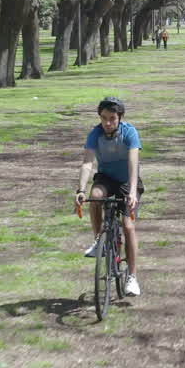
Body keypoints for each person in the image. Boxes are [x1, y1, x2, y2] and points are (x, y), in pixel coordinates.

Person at [75, 97, 144, 296]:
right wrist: (80, 189)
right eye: (104, 118)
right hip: (106, 178)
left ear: (120, 118)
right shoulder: (95, 134)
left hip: (126, 181)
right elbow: (87, 163)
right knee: (94, 196)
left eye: (112, 118)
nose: (107, 123)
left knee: (128, 225)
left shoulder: (130, 133)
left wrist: (132, 192)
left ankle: (132, 276)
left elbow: (133, 164)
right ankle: (99, 242)